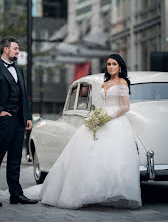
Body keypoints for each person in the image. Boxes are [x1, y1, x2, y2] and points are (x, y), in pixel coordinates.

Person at [15, 53, 142, 209]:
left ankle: (113, 194)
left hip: (115, 123)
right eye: (108, 64)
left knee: (113, 159)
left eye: (114, 64)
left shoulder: (122, 82)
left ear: (120, 66)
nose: (111, 67)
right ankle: (89, 192)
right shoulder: (104, 83)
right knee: (88, 155)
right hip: (101, 119)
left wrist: (108, 117)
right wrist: (97, 116)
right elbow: (101, 104)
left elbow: (125, 107)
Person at [0, 36, 38, 207]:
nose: (18, 51)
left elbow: (23, 97)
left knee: (14, 159)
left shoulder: (19, 70)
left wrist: (27, 117)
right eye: (15, 49)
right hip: (1, 121)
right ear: (6, 49)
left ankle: (16, 194)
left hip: (19, 120)